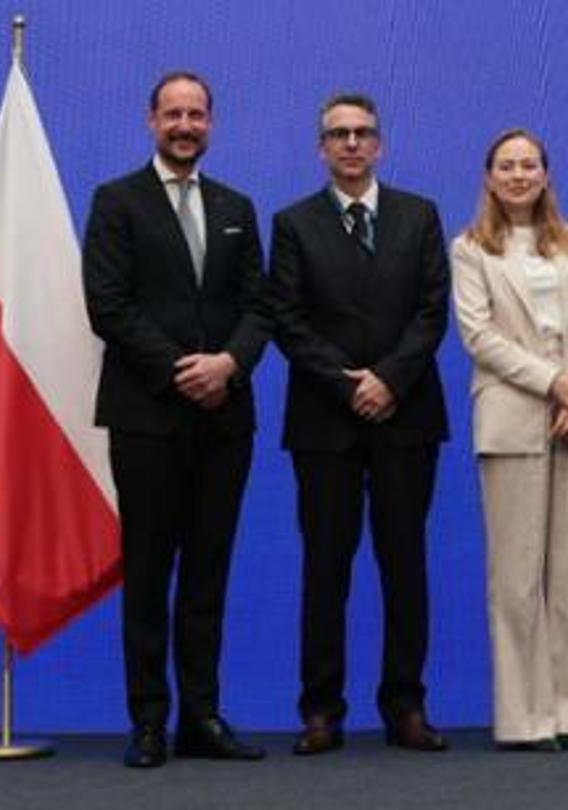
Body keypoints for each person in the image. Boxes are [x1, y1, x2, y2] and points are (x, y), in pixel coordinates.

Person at [82, 71, 269, 769]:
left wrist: (227, 365)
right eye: (173, 114)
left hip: (226, 419)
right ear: (150, 121)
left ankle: (202, 716)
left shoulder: (236, 207)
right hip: (147, 417)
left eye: (196, 115)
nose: (185, 125)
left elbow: (262, 305)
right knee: (150, 570)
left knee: (208, 574)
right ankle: (149, 722)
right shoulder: (116, 201)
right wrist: (183, 369)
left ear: (211, 124)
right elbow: (108, 306)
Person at [268, 91, 451, 756]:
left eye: (362, 133)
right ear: (321, 148)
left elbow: (434, 310)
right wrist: (349, 385)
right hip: (325, 421)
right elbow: (286, 318)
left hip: (406, 416)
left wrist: (389, 380)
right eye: (338, 134)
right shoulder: (292, 223)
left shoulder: (419, 215)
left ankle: (406, 705)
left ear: (380, 145)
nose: (351, 143)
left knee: (405, 565)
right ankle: (321, 710)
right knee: (326, 568)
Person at [451, 128, 568, 752]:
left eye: (529, 165)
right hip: (512, 416)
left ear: (546, 175)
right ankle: (524, 718)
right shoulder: (469, 248)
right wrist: (554, 384)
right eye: (506, 166)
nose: (519, 175)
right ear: (489, 178)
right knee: (517, 576)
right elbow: (479, 337)